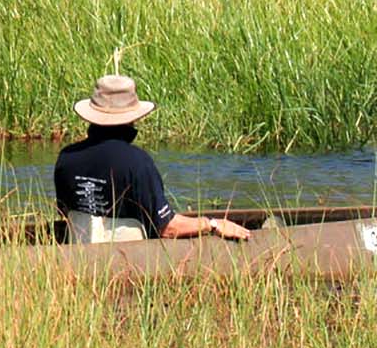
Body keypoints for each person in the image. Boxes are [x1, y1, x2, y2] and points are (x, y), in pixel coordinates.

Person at [54, 74, 251, 243]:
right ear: (132, 117)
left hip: (80, 256)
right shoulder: (137, 162)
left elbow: (63, 210)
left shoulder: (66, 157)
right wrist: (213, 224)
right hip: (130, 262)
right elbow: (167, 228)